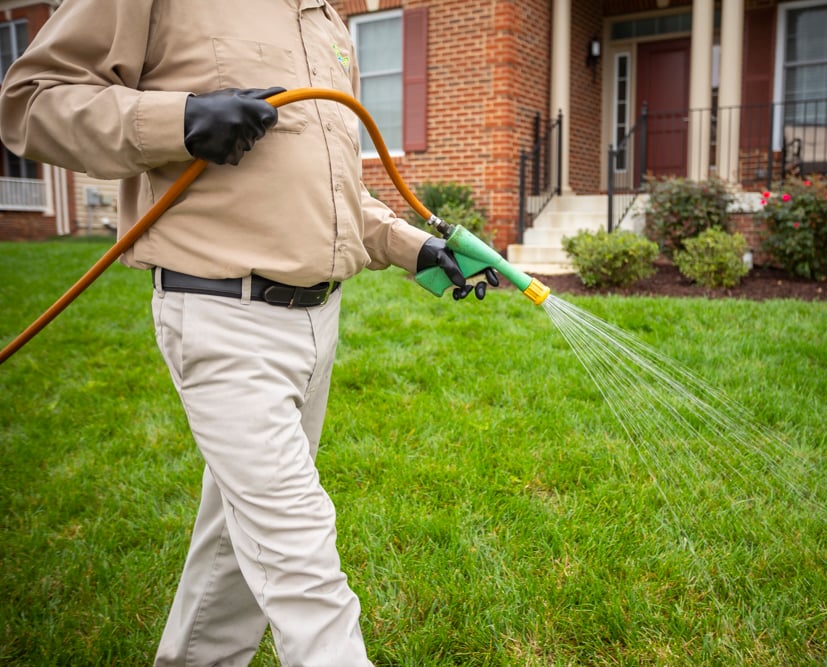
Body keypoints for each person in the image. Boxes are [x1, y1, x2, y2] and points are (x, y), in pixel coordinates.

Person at [0, 1, 497, 664]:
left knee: (239, 548)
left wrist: (415, 249)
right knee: (301, 555)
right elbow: (30, 102)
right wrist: (179, 121)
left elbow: (335, 185)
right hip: (221, 316)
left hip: (319, 320)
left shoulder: (324, 18)